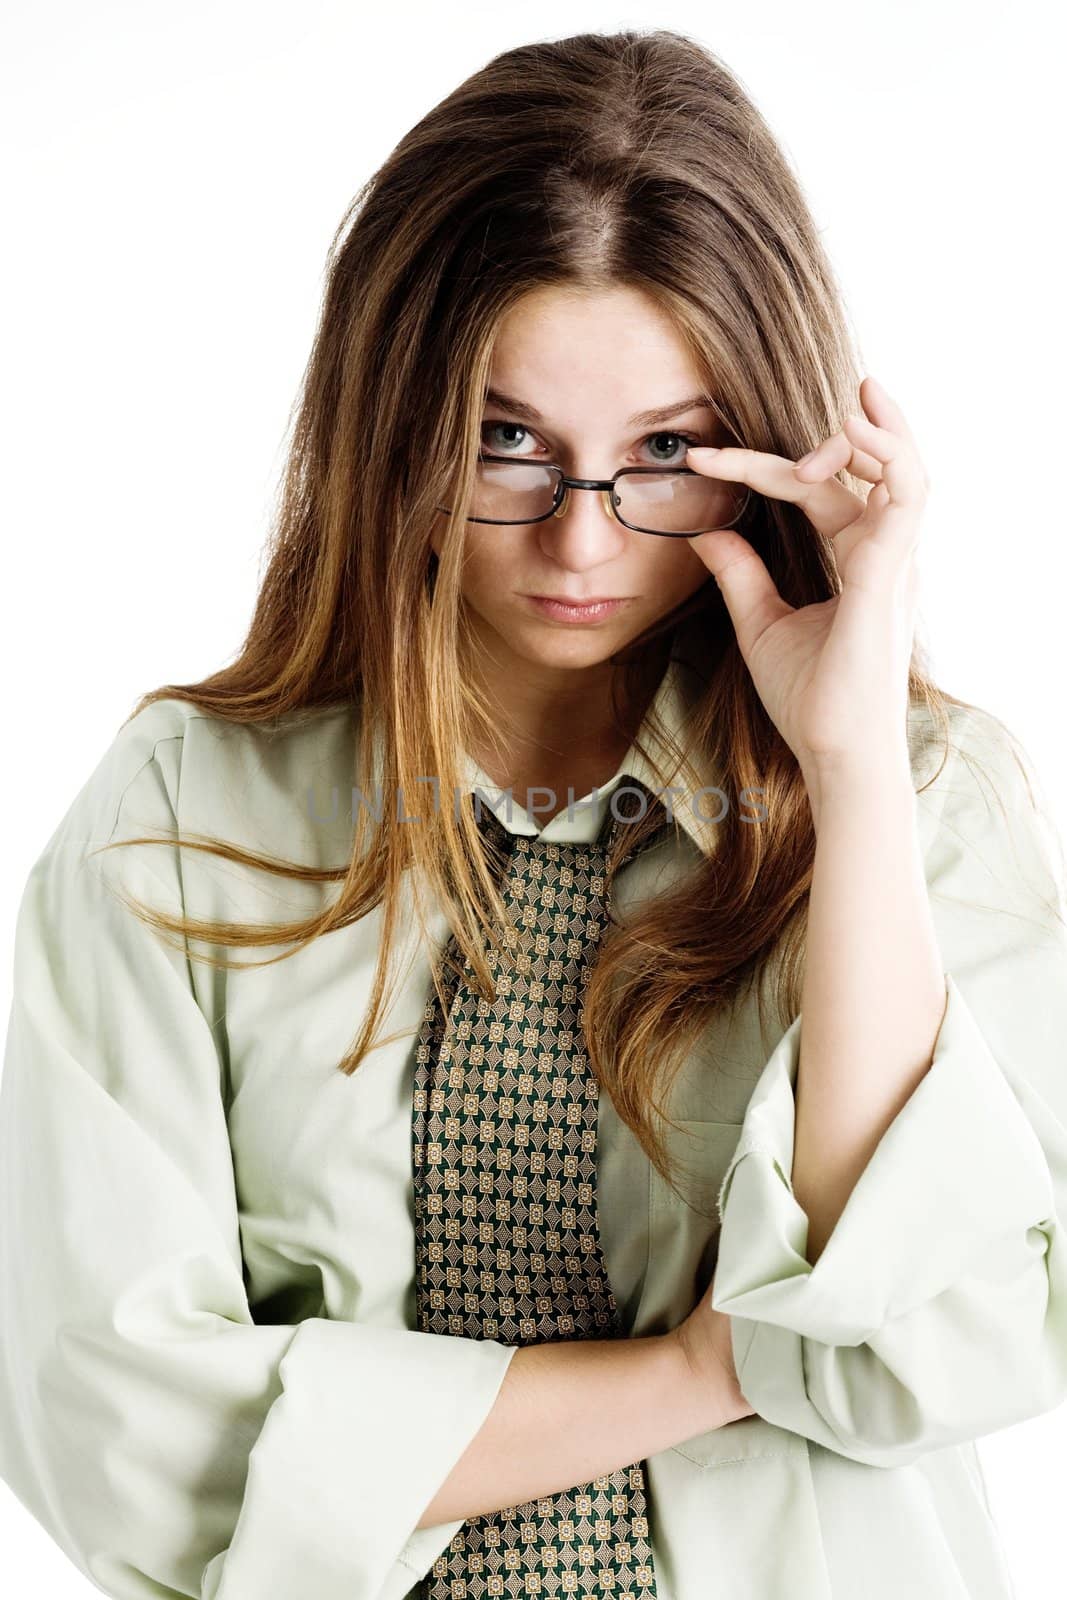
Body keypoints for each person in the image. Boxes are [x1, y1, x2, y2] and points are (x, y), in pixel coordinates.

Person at [2, 25, 1065, 1600]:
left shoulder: (916, 799)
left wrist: (845, 767)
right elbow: (124, 1440)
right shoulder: (181, 808)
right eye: (509, 442)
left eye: (667, 452)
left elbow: (924, 1337)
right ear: (393, 424)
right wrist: (703, 1372)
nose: (583, 540)